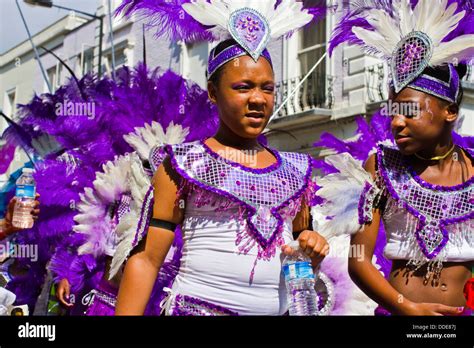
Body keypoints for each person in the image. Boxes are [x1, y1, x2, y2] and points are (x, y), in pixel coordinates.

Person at [114, 0, 329, 315]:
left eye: (267, 89)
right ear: (213, 92)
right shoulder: (182, 165)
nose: (257, 99)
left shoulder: (297, 173)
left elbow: (301, 246)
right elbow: (147, 259)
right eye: (243, 87)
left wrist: (313, 247)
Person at [323, 0, 474, 315]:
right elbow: (359, 261)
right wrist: (408, 309)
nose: (396, 122)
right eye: (393, 109)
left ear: (450, 111)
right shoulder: (380, 165)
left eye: (410, 110)